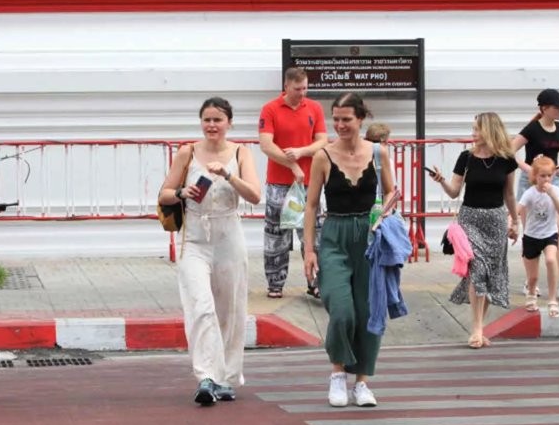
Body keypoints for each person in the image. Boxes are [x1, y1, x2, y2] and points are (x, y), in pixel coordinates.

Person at [158, 97, 260, 406]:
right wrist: (180, 193)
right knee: (200, 306)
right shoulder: (187, 152)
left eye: (218, 120)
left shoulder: (241, 152)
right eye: (207, 120)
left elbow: (255, 195)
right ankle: (206, 375)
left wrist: (229, 175)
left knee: (229, 309)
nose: (212, 125)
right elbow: (164, 193)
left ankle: (226, 377)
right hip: (196, 241)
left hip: (229, 238)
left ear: (229, 123)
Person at [303, 93, 395, 407]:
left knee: (368, 312)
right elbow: (312, 205)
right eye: (336, 119)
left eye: (347, 119)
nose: (340, 125)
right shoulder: (322, 156)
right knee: (341, 310)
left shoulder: (379, 153)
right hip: (334, 236)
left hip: (370, 238)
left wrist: (382, 215)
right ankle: (337, 375)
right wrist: (308, 251)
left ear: (361, 119)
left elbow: (393, 191)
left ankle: (362, 383)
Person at [431, 112, 519, 349]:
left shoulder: (506, 159)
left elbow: (509, 194)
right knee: (477, 268)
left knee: (491, 274)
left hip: (496, 220)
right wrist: (441, 180)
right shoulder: (465, 158)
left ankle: (480, 327)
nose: (473, 133)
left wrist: (515, 221)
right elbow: (454, 192)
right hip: (470, 219)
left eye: (477, 129)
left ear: (489, 130)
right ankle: (476, 329)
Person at [258, 67, 328, 299]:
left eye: (305, 88)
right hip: (279, 183)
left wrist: (301, 152)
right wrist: (291, 164)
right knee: (277, 235)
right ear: (286, 86)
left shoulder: (314, 108)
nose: (302, 93)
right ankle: (275, 282)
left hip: (310, 182)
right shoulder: (270, 109)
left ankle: (316, 282)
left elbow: (322, 140)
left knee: (314, 234)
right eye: (298, 89)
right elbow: (267, 145)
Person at [511, 89, 559, 300]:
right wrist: (527, 169)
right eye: (557, 107)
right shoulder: (532, 129)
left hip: (553, 180)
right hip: (531, 182)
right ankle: (530, 281)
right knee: (531, 230)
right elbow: (509, 150)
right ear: (544, 108)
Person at [519, 156, 559, 318]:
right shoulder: (529, 193)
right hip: (531, 236)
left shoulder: (556, 191)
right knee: (533, 277)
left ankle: (552, 300)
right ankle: (531, 294)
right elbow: (519, 208)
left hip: (549, 234)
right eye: (542, 176)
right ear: (535, 177)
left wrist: (552, 195)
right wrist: (511, 222)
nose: (546, 179)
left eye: (549, 175)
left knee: (551, 260)